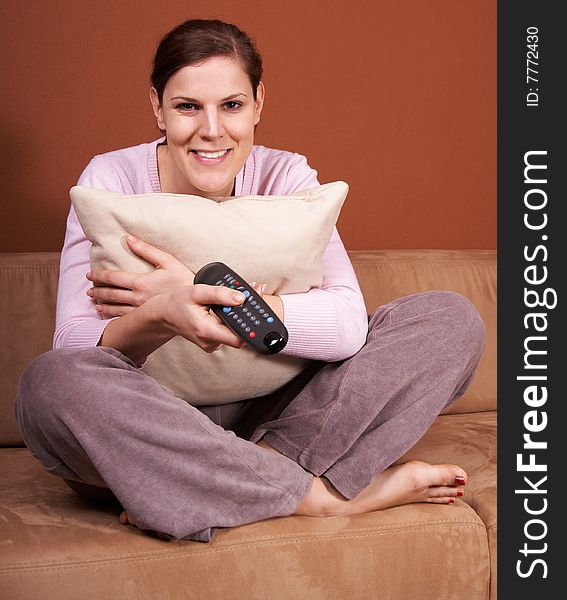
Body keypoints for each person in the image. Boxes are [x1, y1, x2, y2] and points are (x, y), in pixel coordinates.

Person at [15, 19, 485, 542]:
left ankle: (244, 480)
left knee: (450, 320)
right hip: (151, 431)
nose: (211, 130)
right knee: (49, 384)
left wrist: (214, 299)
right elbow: (74, 343)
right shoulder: (109, 181)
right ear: (157, 107)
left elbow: (348, 325)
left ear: (259, 103)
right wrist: (162, 313)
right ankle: (318, 499)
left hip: (280, 421)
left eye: (232, 106)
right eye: (188, 106)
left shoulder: (289, 180)